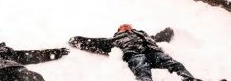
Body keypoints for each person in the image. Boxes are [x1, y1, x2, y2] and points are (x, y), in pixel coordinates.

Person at [69, 24, 199, 81]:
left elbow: (160, 37)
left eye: (128, 25)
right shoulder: (115, 40)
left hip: (154, 53)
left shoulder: (144, 35)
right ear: (118, 31)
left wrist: (168, 31)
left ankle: (189, 79)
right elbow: (94, 43)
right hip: (134, 55)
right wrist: (76, 40)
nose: (126, 26)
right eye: (122, 26)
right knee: (142, 70)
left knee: (174, 64)